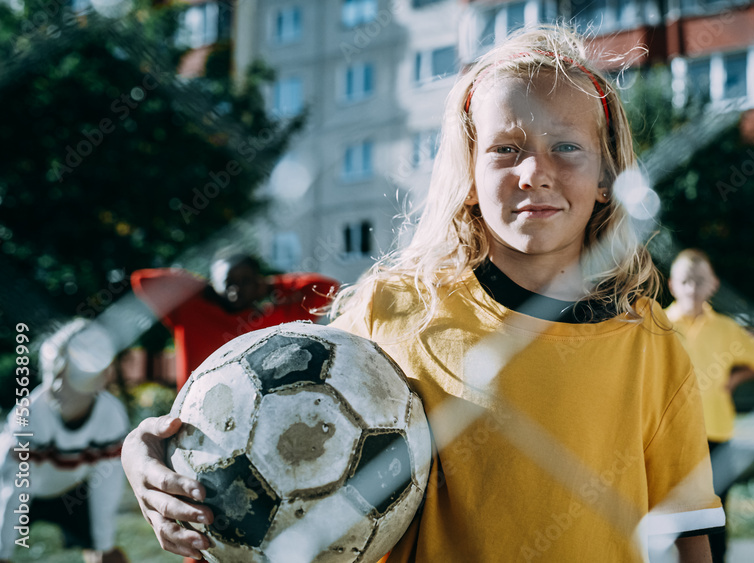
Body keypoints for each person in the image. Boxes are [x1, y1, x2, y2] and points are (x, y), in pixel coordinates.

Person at [122, 26, 721, 562]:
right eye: (505, 148)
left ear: (607, 180)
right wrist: (141, 449)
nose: (533, 172)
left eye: (566, 146)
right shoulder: (397, 308)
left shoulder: (653, 345)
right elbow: (263, 413)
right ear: (467, 177)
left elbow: (688, 532)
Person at [665, 249, 754, 563]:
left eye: (700, 281)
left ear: (713, 285)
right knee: (671, 514)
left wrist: (736, 380)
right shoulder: (658, 324)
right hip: (671, 434)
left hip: (716, 432)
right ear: (672, 284)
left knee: (714, 513)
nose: (692, 288)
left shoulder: (725, 328)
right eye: (685, 281)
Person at [0, 319, 131, 563]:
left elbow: (107, 483)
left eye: (71, 374)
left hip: (71, 489)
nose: (58, 384)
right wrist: (3, 550)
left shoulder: (111, 416)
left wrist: (103, 543)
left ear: (103, 376)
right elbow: (14, 490)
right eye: (53, 372)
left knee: (111, 557)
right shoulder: (28, 416)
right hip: (19, 490)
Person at [131, 253, 339, 390]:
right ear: (214, 285)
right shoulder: (191, 309)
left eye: (245, 281)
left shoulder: (276, 313)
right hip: (196, 407)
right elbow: (143, 281)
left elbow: (326, 288)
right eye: (228, 283)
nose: (236, 289)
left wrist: (271, 286)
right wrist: (200, 287)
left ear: (259, 281)